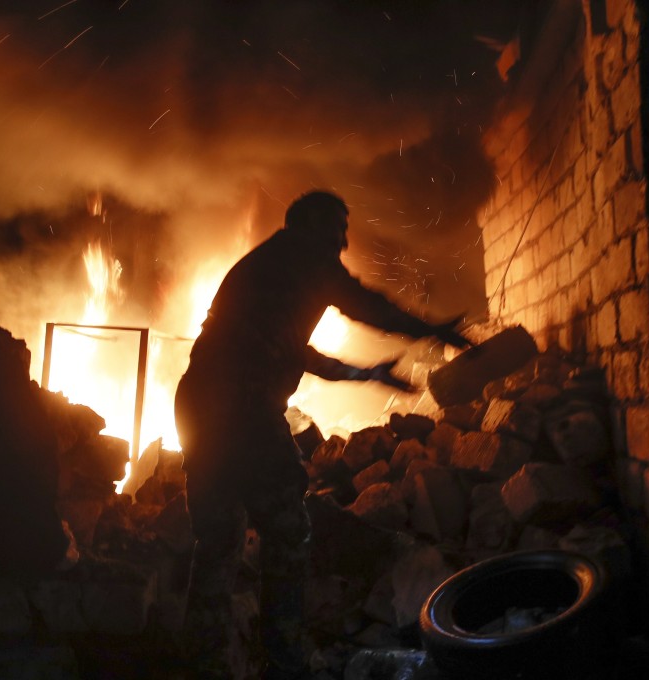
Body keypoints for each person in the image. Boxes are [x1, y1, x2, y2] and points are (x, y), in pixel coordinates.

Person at [173, 190, 472, 679]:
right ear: (310, 226)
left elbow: (297, 352)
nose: (344, 242)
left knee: (218, 540)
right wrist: (430, 330)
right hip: (242, 409)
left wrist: (366, 373)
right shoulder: (303, 259)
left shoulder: (270, 268)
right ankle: (285, 659)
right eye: (338, 229)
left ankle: (202, 662)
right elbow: (364, 305)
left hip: (200, 404)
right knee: (288, 531)